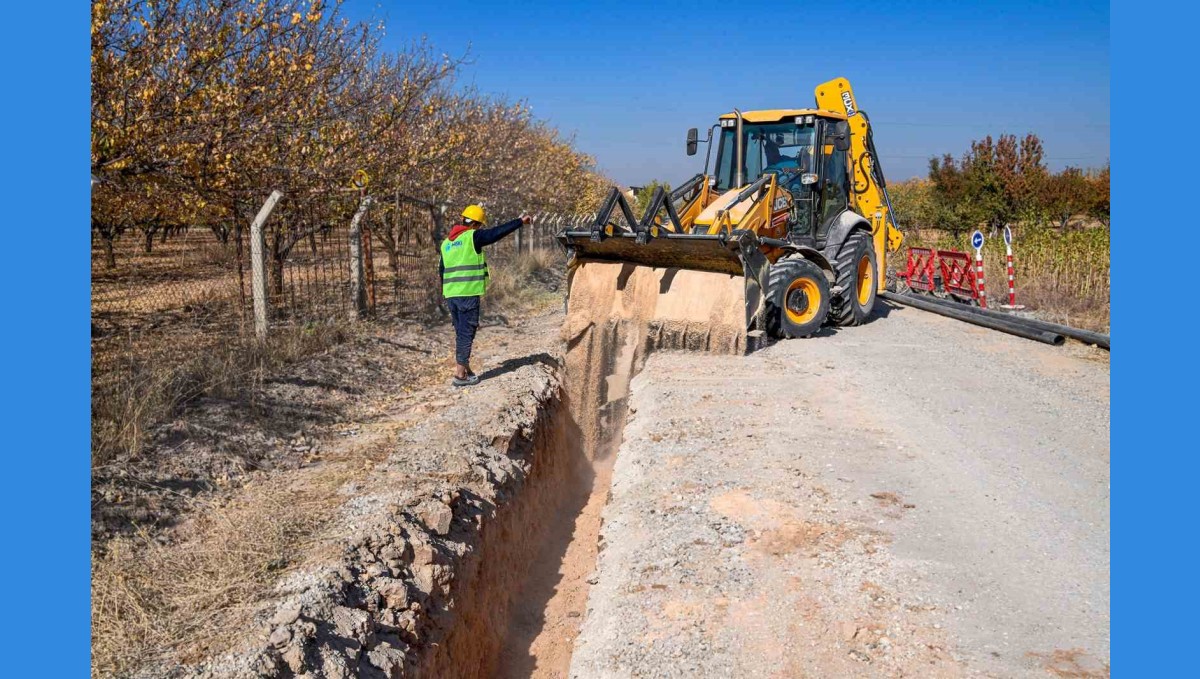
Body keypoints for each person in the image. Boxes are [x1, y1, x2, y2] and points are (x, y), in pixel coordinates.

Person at [439, 204, 532, 386]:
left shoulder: (446, 243)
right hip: (468, 292)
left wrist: (448, 292)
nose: (481, 229)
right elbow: (495, 233)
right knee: (467, 332)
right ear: (475, 224)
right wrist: (520, 222)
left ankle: (465, 368)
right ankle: (460, 375)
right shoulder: (472, 236)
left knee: (461, 332)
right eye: (480, 226)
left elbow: (441, 270)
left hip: (451, 294)